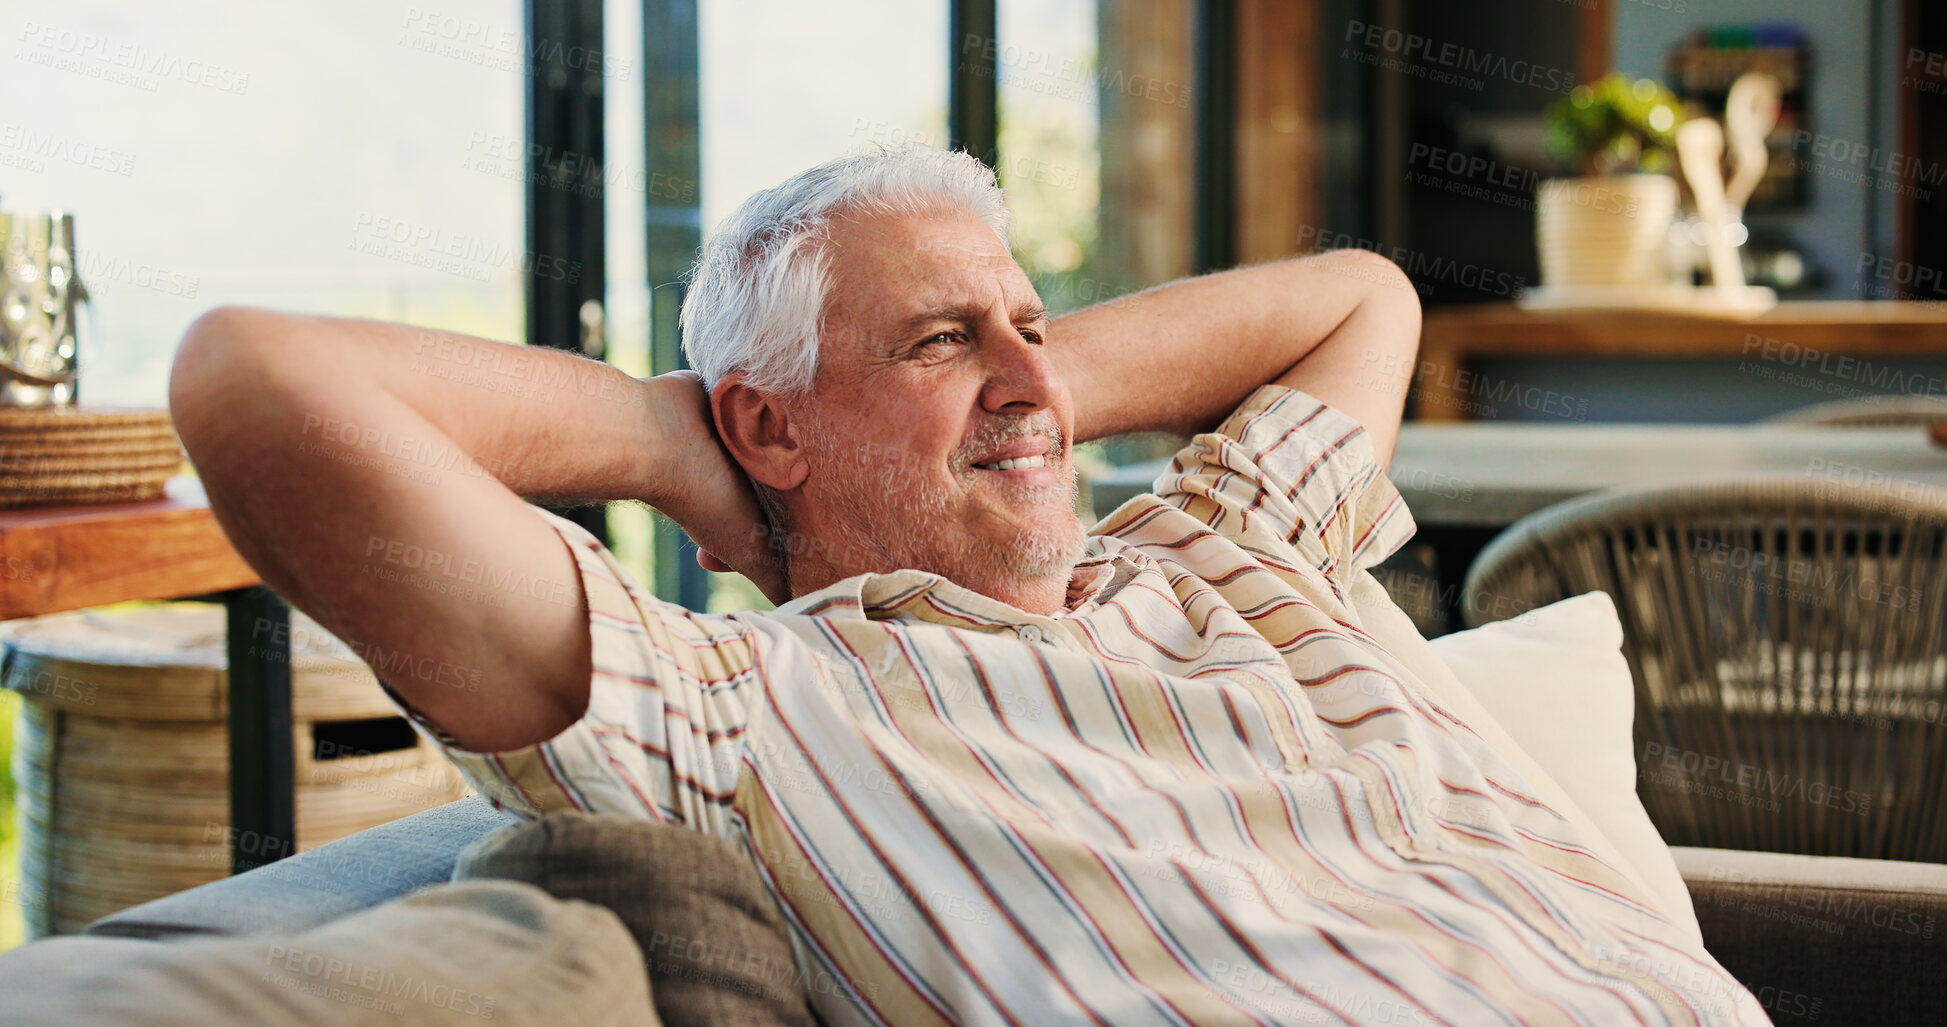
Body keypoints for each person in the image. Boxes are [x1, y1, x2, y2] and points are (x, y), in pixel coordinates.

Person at [170, 145, 1764, 1025]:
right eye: (937, 337)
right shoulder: (741, 714)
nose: (1029, 375)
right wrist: (693, 435)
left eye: (1038, 320)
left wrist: (1008, 387)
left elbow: (1364, 294)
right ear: (766, 421)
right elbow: (255, 380)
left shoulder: (1230, 544)